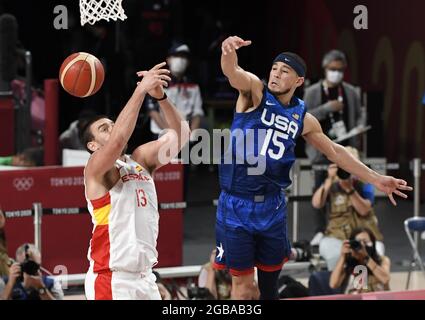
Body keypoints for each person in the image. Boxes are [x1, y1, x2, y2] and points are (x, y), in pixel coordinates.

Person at [214, 35, 411, 300]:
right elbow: (233, 72)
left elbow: (335, 152)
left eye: (284, 71)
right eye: (273, 69)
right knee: (244, 287)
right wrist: (228, 51)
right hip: (236, 204)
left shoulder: (302, 118)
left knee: (270, 287)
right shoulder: (254, 93)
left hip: (271, 207)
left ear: (298, 81)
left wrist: (376, 179)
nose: (275, 74)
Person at [81, 62, 190, 300]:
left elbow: (182, 135)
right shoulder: (95, 168)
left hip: (145, 277)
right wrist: (140, 91)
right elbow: (117, 141)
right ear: (92, 145)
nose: (112, 128)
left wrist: (161, 98)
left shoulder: (140, 159)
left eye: (112, 124)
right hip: (112, 278)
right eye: (104, 128)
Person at [304, 50, 363, 245]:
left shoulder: (351, 91)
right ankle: (320, 230)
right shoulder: (313, 91)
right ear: (325, 69)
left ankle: (351, 228)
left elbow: (359, 114)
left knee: (349, 188)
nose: (336, 73)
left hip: (346, 148)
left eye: (339, 70)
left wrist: (359, 126)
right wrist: (327, 108)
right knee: (321, 188)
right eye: (332, 69)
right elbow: (304, 116)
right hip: (321, 150)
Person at [312, 146, 385, 270]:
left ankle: (361, 287)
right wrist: (329, 180)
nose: (347, 170)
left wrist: (350, 189)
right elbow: (317, 204)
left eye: (350, 165)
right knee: (334, 256)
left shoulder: (364, 183)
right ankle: (339, 287)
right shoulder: (331, 184)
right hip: (336, 236)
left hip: (363, 234)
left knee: (371, 255)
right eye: (343, 165)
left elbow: (364, 209)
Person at [146, 43, 204, 140]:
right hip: (161, 135)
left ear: (188, 62)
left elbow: (197, 113)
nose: (180, 60)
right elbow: (152, 110)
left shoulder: (193, 86)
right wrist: (169, 133)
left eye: (183, 57)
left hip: (185, 137)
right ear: (168, 59)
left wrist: (192, 135)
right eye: (176, 56)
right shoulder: (158, 81)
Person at [330, 227, 391, 294]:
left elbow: (385, 279)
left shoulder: (383, 260)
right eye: (358, 242)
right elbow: (333, 284)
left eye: (365, 242)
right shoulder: (348, 263)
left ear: (372, 244)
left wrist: (366, 258)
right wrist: (342, 256)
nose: (362, 246)